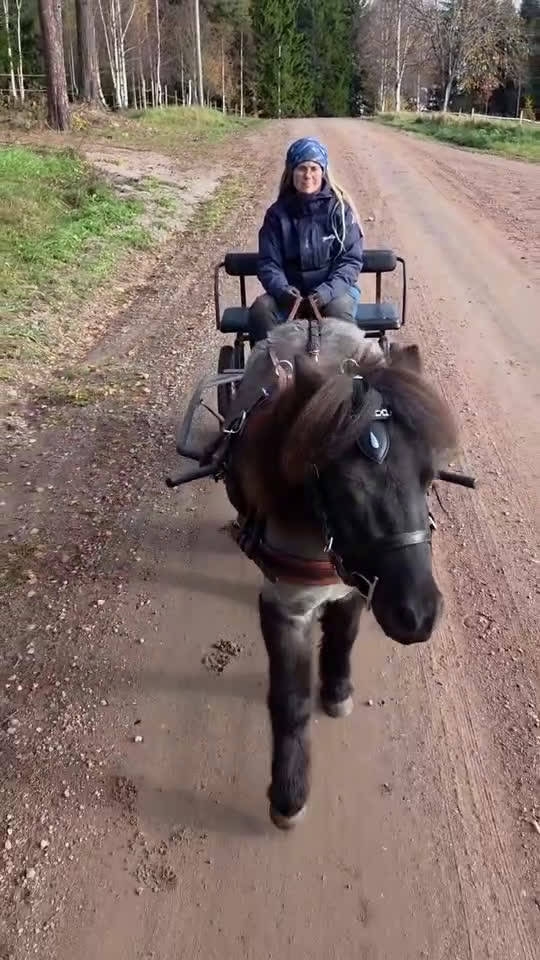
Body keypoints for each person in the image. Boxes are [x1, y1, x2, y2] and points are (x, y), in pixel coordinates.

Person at [249, 137, 364, 344]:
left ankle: (342, 371)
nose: (308, 175)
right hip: (289, 294)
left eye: (314, 168)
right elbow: (268, 263)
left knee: (339, 313)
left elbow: (350, 261)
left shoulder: (340, 211)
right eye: (301, 168)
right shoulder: (276, 215)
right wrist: (283, 291)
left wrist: (326, 293)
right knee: (261, 310)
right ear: (291, 172)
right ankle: (274, 370)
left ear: (323, 171)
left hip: (333, 292)